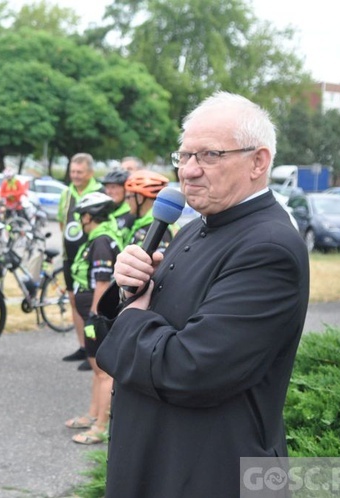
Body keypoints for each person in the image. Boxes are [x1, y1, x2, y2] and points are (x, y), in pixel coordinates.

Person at [95, 92, 310, 497]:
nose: (189, 171)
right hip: (163, 461)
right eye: (184, 156)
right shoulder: (194, 228)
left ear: (258, 162)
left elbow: (193, 367)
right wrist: (130, 290)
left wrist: (131, 318)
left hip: (211, 472)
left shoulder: (269, 247)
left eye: (209, 155)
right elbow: (156, 320)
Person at [64, 192, 121, 445]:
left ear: (88, 216)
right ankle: (92, 414)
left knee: (103, 372)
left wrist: (94, 316)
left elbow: (102, 281)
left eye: (81, 217)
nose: (80, 221)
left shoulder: (100, 241)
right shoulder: (98, 238)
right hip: (92, 313)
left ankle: (101, 426)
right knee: (97, 371)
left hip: (97, 316)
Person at [56, 153, 102, 371]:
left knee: (93, 302)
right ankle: (83, 346)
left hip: (93, 256)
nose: (75, 176)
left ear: (90, 173)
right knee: (74, 300)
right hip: (70, 257)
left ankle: (95, 350)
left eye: (79, 172)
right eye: (72, 172)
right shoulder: (66, 193)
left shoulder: (100, 193)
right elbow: (60, 222)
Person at [123, 170, 175, 248]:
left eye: (128, 197)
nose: (126, 202)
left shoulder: (159, 228)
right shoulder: (142, 223)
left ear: (140, 198)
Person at [100, 168, 134, 247]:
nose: (109, 192)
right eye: (107, 187)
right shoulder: (104, 211)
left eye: (113, 187)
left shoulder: (132, 213)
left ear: (126, 189)